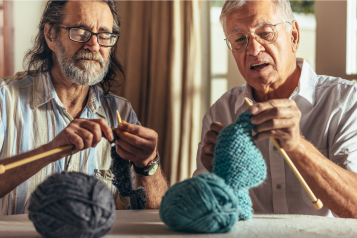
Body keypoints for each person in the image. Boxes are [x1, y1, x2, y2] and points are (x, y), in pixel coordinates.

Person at [0, 0, 168, 215]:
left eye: (104, 35)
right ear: (51, 35)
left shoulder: (120, 112)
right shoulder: (5, 99)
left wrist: (148, 164)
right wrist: (49, 151)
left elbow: (153, 214)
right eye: (81, 31)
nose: (94, 45)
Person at [194, 0, 357, 218]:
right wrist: (219, 177)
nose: (253, 49)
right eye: (240, 39)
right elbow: (204, 214)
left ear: (294, 36)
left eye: (265, 32)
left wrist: (298, 147)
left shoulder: (347, 101)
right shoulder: (220, 114)